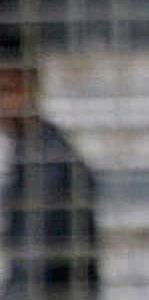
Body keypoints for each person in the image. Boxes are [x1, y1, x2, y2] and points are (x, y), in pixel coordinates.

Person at [0, 58, 100, 300]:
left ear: (31, 90)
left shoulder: (49, 159)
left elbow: (34, 264)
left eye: (6, 91)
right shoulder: (31, 149)